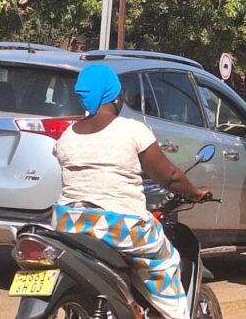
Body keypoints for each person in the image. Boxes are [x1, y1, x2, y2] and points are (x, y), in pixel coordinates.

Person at [51, 64, 209, 319]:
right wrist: (194, 192)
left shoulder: (69, 134)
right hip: (120, 227)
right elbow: (169, 176)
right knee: (165, 264)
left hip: (70, 224)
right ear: (115, 95)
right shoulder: (131, 130)